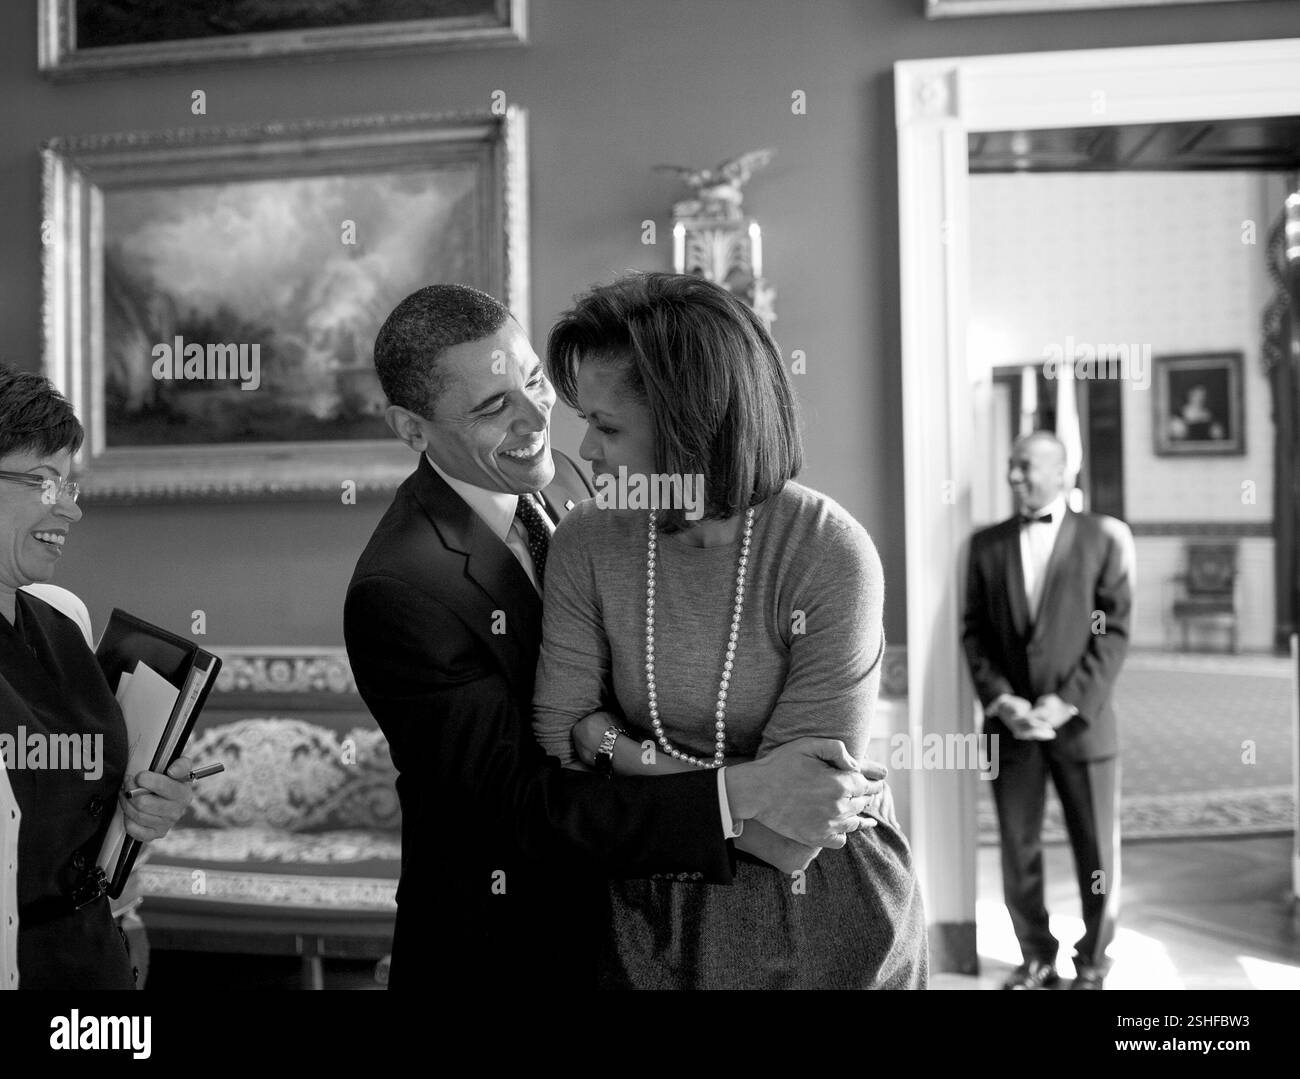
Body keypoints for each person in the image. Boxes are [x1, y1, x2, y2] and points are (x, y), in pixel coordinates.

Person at [344, 284, 885, 991]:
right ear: (412, 429)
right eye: (490, 407)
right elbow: (526, 804)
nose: (540, 419)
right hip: (512, 947)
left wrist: (606, 741)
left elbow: (802, 814)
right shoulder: (400, 588)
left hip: (738, 924)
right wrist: (740, 791)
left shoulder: (575, 484)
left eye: (534, 381)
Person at [532, 272, 928, 989]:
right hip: (643, 903)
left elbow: (791, 834)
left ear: (693, 427)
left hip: (822, 918)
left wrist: (613, 743)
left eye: (608, 426)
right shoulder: (585, 541)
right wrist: (746, 786)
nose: (585, 450)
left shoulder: (830, 553)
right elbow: (562, 734)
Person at [0, 365, 195, 989]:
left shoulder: (62, 615)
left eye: (69, 483)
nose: (70, 510)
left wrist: (147, 809)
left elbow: (85, 813)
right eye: (41, 481)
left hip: (91, 964)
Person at [962, 431, 1133, 990]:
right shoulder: (984, 545)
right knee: (1018, 849)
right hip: (1010, 729)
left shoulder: (1105, 537)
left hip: (1082, 725)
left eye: (1027, 466)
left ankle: (1094, 962)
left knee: (1097, 852)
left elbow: (1112, 632)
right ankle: (1036, 956)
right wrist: (1003, 700)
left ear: (1062, 472)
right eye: (1012, 466)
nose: (1015, 476)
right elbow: (975, 635)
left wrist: (1066, 703)